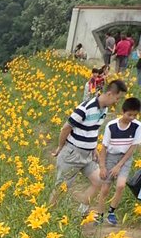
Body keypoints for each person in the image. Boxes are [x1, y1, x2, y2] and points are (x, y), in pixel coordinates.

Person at [51, 78, 128, 212]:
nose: (117, 102)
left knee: (99, 181)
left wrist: (93, 147)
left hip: (88, 155)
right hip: (72, 154)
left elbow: (93, 130)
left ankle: (82, 210)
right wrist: (60, 146)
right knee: (61, 189)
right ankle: (48, 216)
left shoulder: (104, 110)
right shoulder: (86, 107)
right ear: (109, 94)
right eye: (117, 98)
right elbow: (66, 128)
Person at [97, 96, 141, 225]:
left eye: (135, 115)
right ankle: (100, 214)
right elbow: (104, 148)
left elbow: (133, 148)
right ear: (122, 111)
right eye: (129, 114)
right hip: (111, 156)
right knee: (105, 188)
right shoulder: (111, 126)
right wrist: (102, 167)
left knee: (121, 185)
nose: (132, 118)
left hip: (125, 158)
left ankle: (111, 212)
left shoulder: (137, 126)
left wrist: (119, 165)